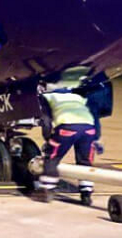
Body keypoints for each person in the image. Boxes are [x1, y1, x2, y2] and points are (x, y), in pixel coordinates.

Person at [33, 66, 99, 202]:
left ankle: (47, 189)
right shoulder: (77, 97)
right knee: (85, 161)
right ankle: (86, 193)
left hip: (67, 128)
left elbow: (46, 120)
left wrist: (48, 139)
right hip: (89, 129)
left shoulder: (48, 97)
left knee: (52, 158)